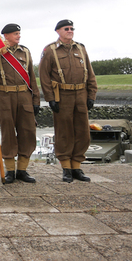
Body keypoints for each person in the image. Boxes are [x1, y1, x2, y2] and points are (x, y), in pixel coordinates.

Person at [38, 19, 97, 183]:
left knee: (83, 133)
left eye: (72, 28)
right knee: (64, 133)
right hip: (62, 96)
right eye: (66, 28)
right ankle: (66, 168)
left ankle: (77, 167)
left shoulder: (81, 48)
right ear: (58, 31)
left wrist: (91, 96)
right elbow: (44, 77)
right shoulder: (50, 51)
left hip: (81, 95)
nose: (70, 31)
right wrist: (50, 98)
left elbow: (90, 74)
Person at [0, 23, 40, 183]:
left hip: (24, 96)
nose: (18, 36)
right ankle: (10, 171)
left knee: (27, 132)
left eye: (19, 33)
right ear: (5, 36)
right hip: (5, 96)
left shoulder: (25, 52)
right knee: (8, 134)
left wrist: (36, 100)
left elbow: (32, 77)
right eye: (15, 34)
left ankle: (22, 170)